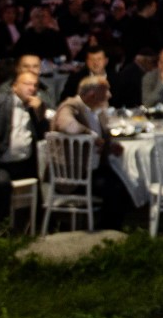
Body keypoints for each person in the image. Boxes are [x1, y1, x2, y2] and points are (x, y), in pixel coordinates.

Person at [0, 68, 50, 228]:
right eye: (26, 84)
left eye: (35, 85)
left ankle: (40, 227)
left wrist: (40, 113)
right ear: (14, 87)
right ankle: (2, 229)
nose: (31, 88)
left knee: (46, 178)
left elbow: (43, 134)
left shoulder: (36, 107)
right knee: (1, 182)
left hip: (24, 164)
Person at [52, 75, 133, 230]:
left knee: (128, 181)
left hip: (95, 170)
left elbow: (105, 139)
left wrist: (111, 147)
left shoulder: (99, 111)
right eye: (106, 91)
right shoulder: (71, 106)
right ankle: (108, 230)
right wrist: (91, 136)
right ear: (92, 95)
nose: (110, 95)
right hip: (74, 175)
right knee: (114, 189)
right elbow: (66, 125)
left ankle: (112, 227)